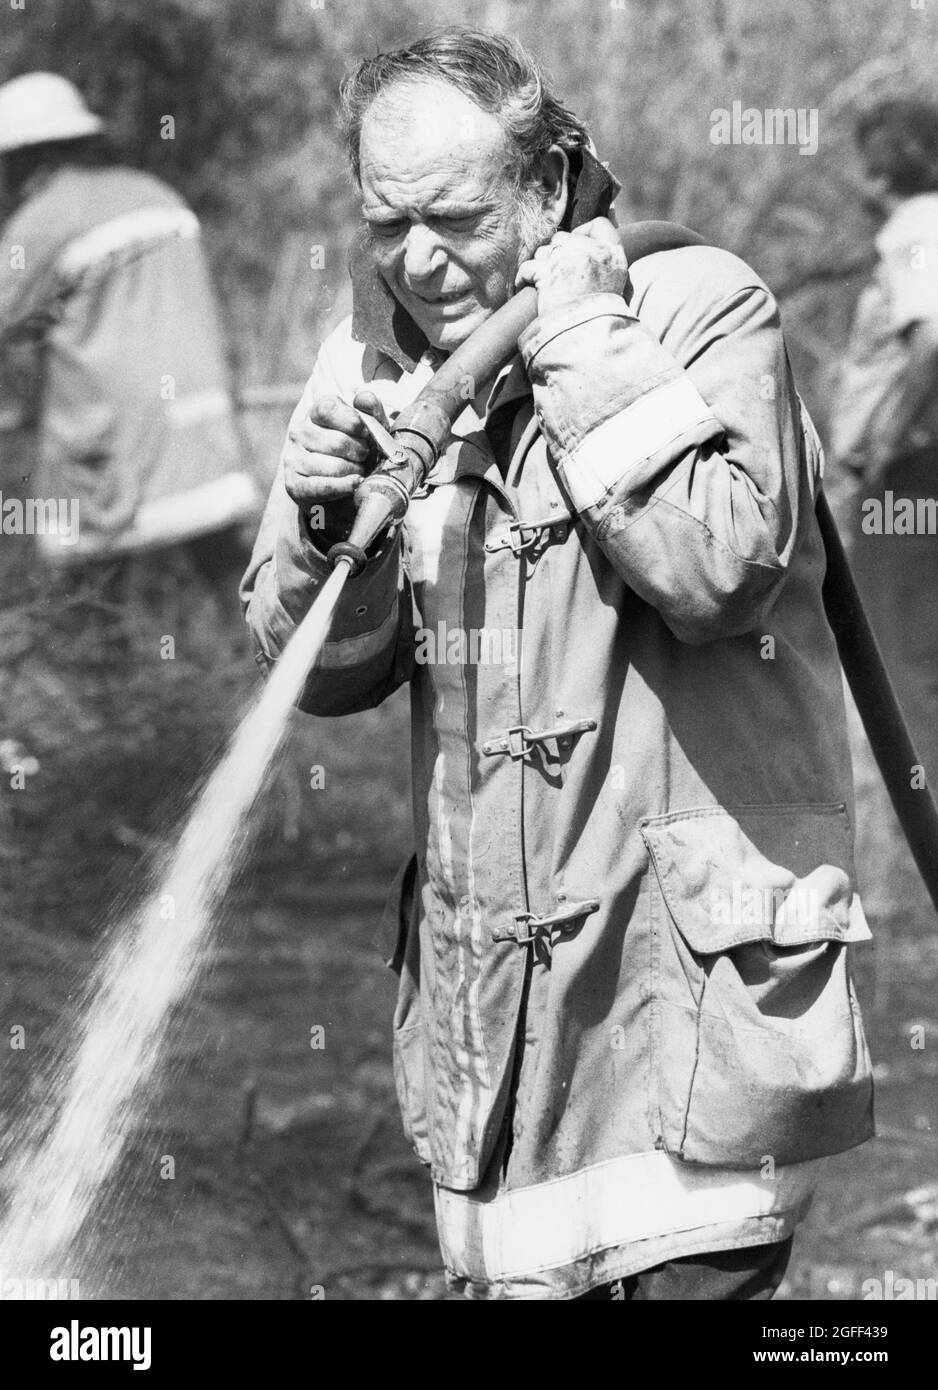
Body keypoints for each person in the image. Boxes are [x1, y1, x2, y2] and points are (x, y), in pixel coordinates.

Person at [242, 30, 874, 1301]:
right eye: (386, 224)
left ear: (545, 184)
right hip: (494, 1052)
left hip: (683, 1030)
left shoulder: (698, 306)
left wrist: (581, 340)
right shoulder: (368, 364)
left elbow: (720, 570)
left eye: (457, 217)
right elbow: (324, 670)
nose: (418, 261)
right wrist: (328, 529)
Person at [0, 72, 260, 597]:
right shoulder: (155, 193)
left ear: (23, 159)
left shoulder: (41, 220)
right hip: (204, 432)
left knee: (88, 610)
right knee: (231, 592)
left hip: (109, 454)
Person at [829, 98, 938, 789]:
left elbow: (932, 337)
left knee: (900, 669)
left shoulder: (917, 227)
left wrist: (888, 438)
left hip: (911, 472)